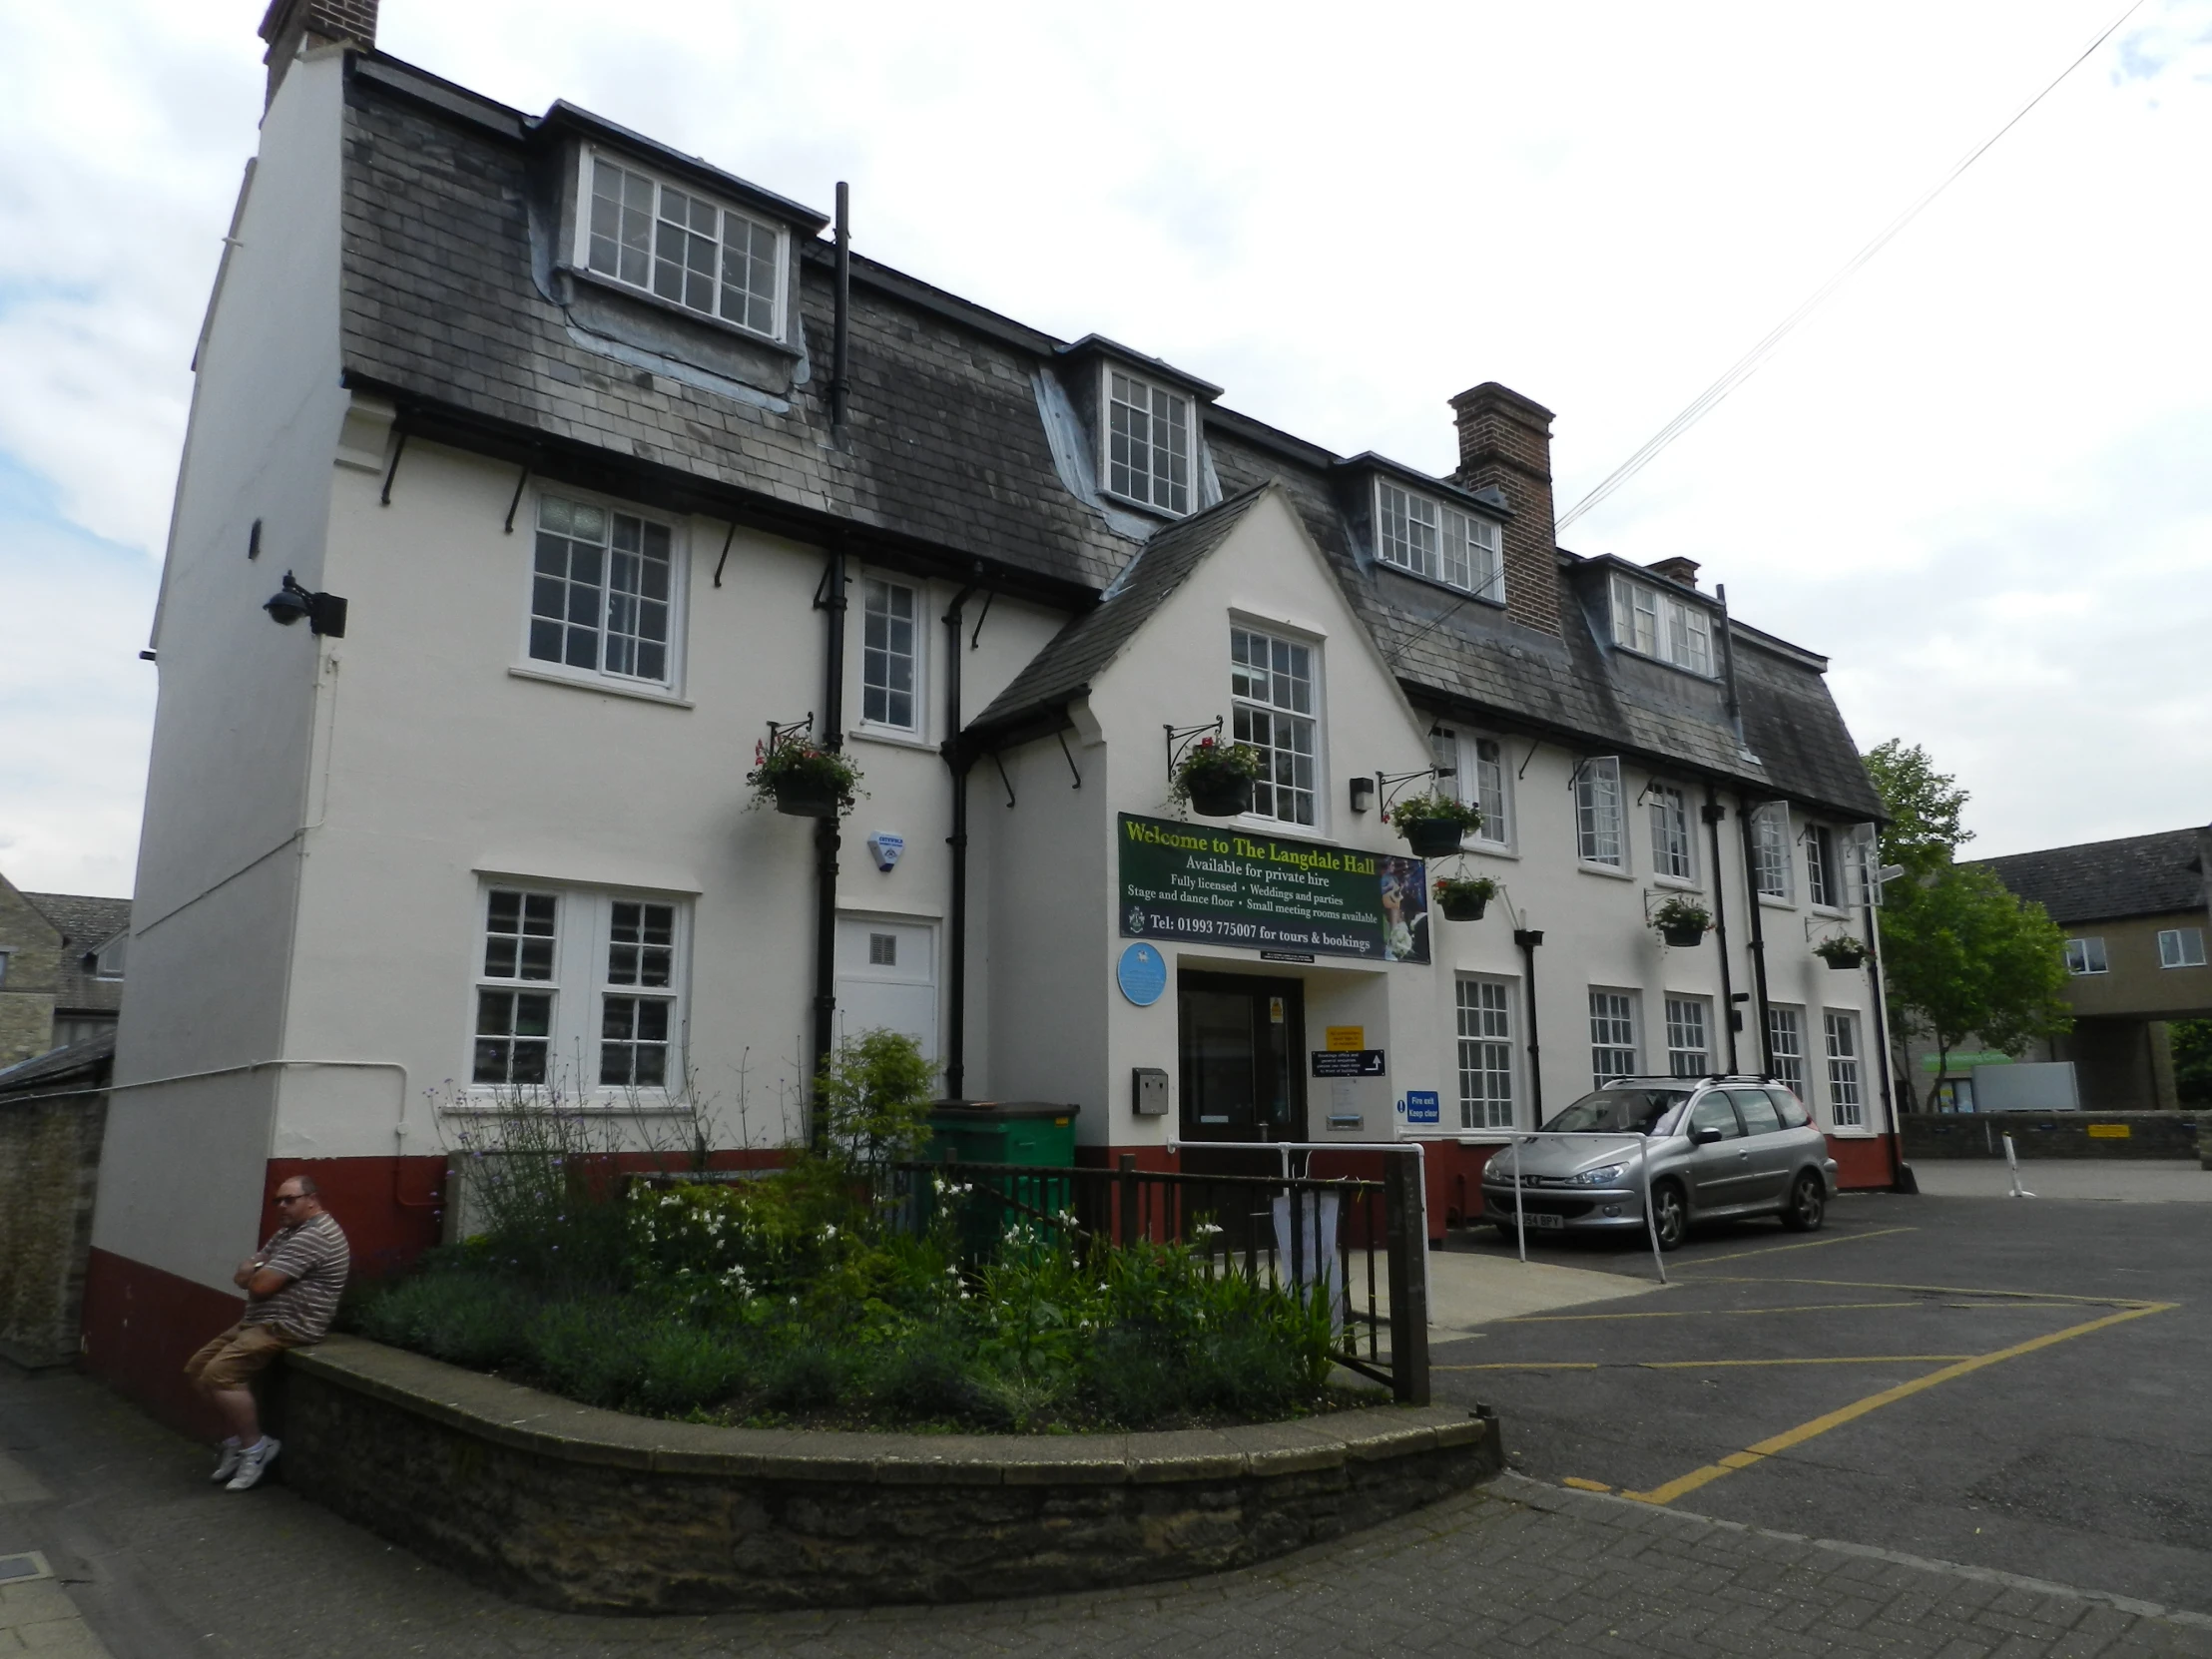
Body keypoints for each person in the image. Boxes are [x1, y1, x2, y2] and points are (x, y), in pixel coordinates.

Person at [185, 1174, 350, 1491]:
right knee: (196, 1370)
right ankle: (237, 1440)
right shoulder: (289, 1233)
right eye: (278, 1200)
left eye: (290, 1199)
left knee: (220, 1373)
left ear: (312, 1199)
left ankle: (256, 1447)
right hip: (259, 1321)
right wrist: (257, 1269)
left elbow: (258, 1285)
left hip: (289, 1324)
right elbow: (243, 1274)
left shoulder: (313, 1236)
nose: (282, 1206)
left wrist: (256, 1268)